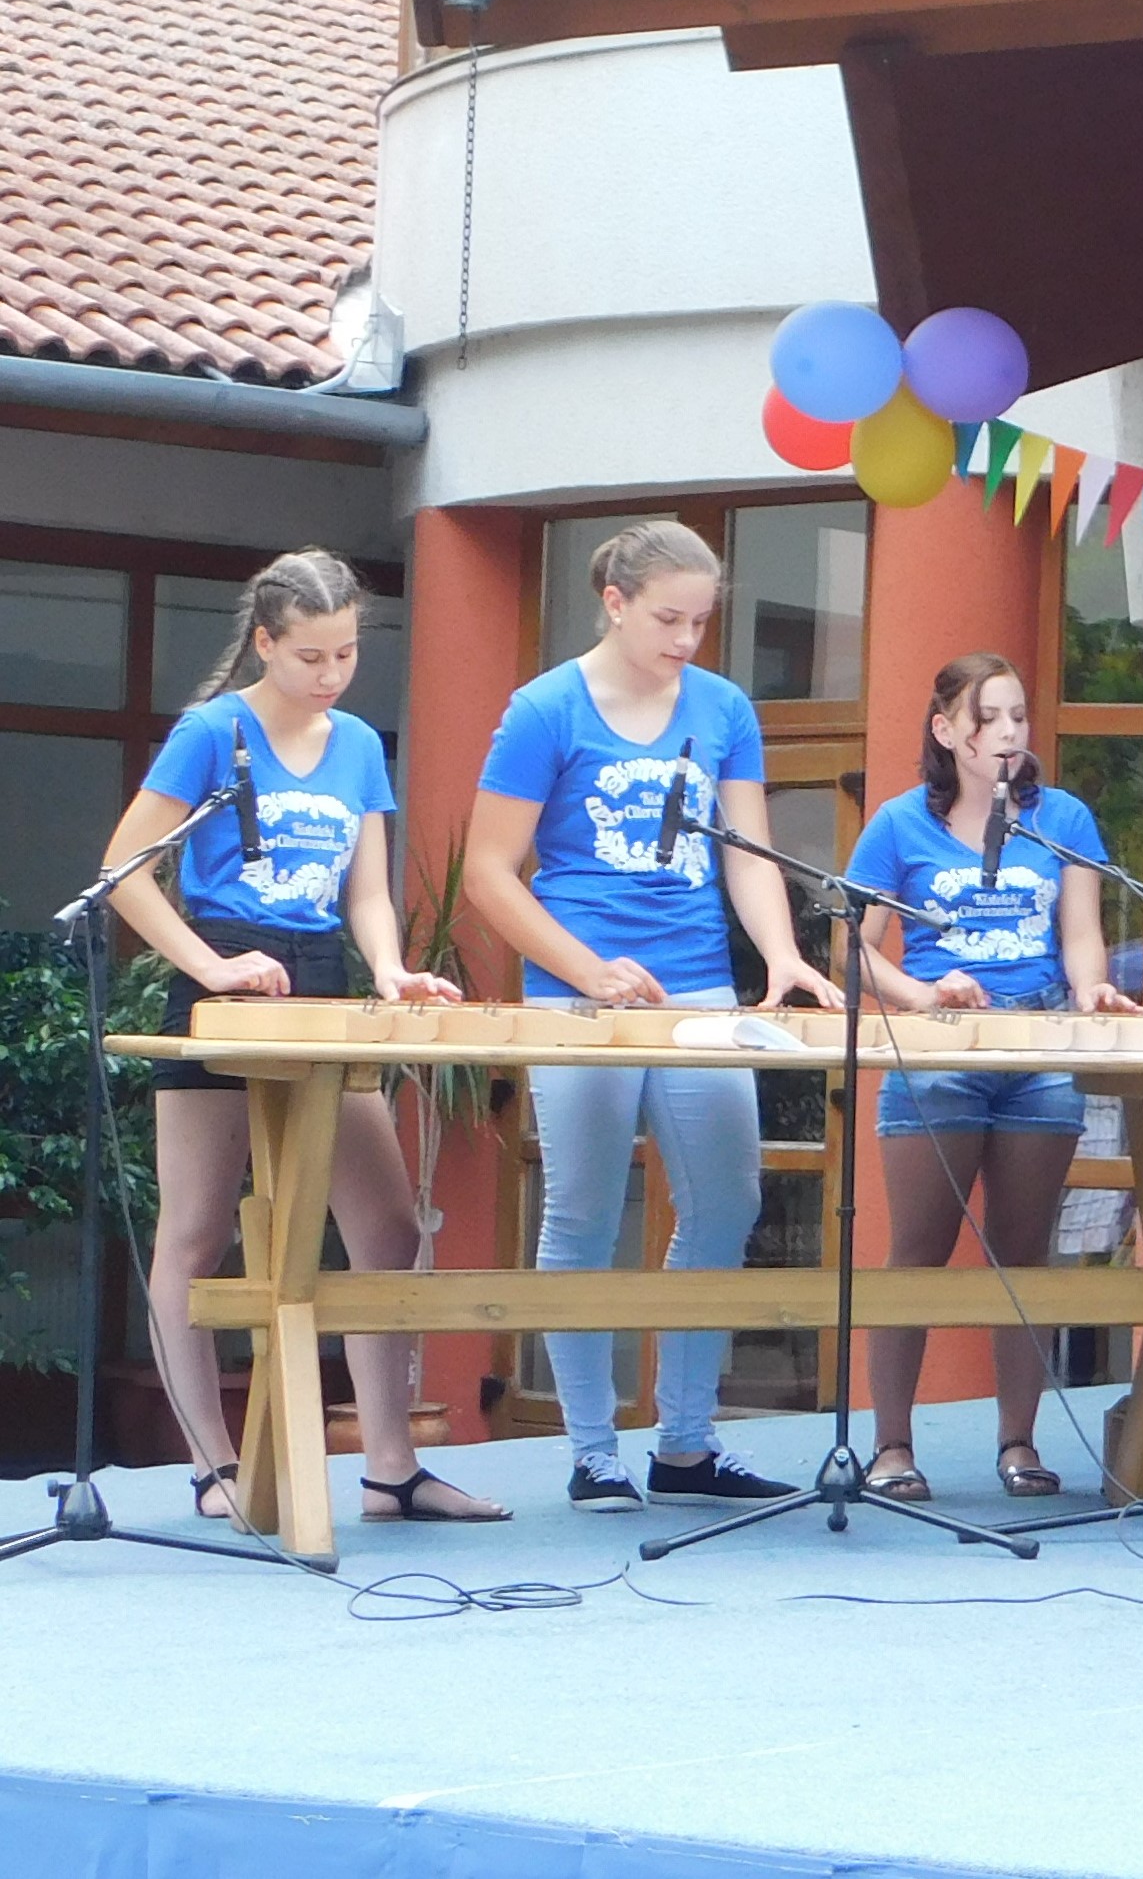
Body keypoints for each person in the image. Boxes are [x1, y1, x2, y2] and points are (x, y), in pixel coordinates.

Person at [99, 552, 506, 1526]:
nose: (331, 674)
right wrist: (210, 966)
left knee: (388, 1225)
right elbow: (123, 869)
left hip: (321, 973)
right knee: (195, 1230)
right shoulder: (213, 731)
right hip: (227, 973)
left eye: (347, 654)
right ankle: (213, 1464)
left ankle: (391, 1466)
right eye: (310, 656)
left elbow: (366, 889)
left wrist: (391, 968)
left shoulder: (357, 743)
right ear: (265, 643)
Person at [462, 521, 838, 1512]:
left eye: (701, 621)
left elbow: (745, 851)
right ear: (615, 602)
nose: (686, 639)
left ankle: (686, 1441)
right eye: (669, 618)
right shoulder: (545, 708)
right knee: (583, 1210)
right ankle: (594, 1451)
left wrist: (782, 952)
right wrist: (589, 970)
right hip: (577, 991)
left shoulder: (722, 708)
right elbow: (489, 872)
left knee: (725, 1199)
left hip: (699, 987)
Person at [843, 654, 1143, 1504]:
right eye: (990, 718)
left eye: (1018, 715)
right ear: (948, 732)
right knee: (918, 1251)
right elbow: (853, 949)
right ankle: (891, 1446)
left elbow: (1079, 933)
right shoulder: (898, 823)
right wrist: (922, 994)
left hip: (1038, 1044)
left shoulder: (1062, 818)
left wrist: (1091, 988)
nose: (1010, 733)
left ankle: (1019, 1441)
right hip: (937, 1048)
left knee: (1023, 1250)